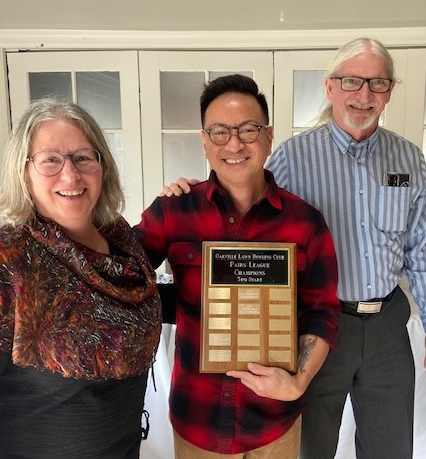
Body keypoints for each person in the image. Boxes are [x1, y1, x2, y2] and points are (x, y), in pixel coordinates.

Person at [0, 99, 162, 459]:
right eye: (50, 160)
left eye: (83, 157)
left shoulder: (122, 241)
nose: (71, 175)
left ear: (102, 167)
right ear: (24, 172)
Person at [134, 74, 340, 458]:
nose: (235, 144)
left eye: (248, 129)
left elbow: (322, 312)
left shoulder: (306, 222)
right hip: (199, 419)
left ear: (268, 135)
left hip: (275, 422)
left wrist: (299, 382)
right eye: (220, 132)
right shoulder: (173, 211)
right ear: (204, 141)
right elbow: (119, 277)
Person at [267, 37, 426, 459]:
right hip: (318, 326)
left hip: (388, 326)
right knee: (309, 447)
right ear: (330, 87)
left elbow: (419, 250)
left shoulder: (408, 159)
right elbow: (252, 226)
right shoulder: (293, 158)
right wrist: (189, 193)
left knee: (390, 449)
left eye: (378, 84)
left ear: (390, 91)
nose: (364, 95)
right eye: (352, 81)